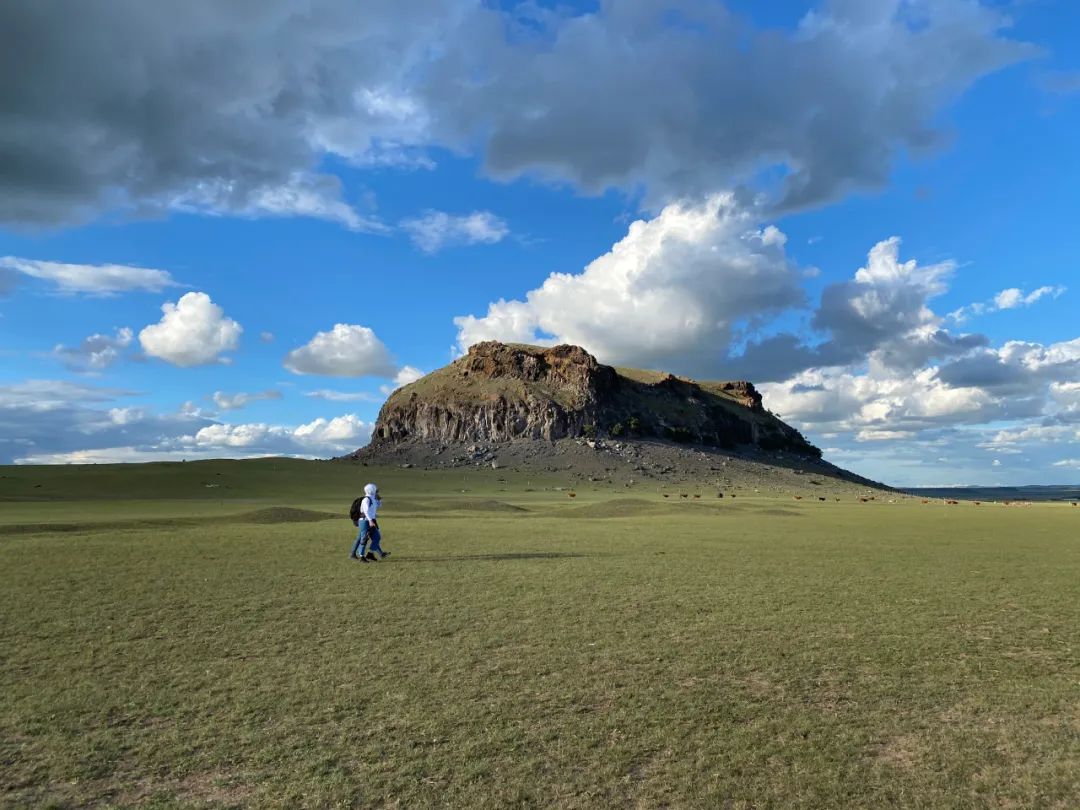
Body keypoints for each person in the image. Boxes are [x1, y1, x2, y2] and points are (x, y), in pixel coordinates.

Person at [350, 482, 389, 562]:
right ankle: (361, 556)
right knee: (364, 538)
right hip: (365, 521)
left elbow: (378, 505)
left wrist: (379, 499)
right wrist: (371, 521)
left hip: (371, 520)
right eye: (374, 489)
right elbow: (366, 511)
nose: (375, 490)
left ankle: (370, 553)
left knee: (377, 537)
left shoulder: (372, 499)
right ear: (371, 490)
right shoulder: (366, 499)